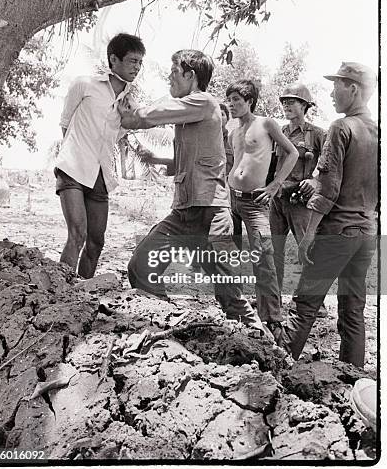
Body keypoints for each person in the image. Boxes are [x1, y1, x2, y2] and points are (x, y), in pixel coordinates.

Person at [119, 50, 266, 333]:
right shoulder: (190, 114)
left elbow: (154, 114)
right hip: (184, 214)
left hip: (211, 217)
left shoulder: (204, 101)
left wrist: (132, 116)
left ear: (190, 75)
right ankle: (165, 327)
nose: (170, 78)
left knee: (230, 297)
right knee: (141, 267)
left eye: (174, 72)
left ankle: (266, 348)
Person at [279, 62, 378, 368]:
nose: (331, 92)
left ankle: (276, 369)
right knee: (352, 309)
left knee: (305, 305)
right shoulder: (377, 131)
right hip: (366, 234)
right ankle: (353, 377)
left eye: (337, 85)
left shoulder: (340, 128)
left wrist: (308, 235)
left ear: (354, 89)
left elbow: (328, 189)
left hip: (336, 232)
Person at [55, 33, 146, 278]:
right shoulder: (84, 84)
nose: (136, 68)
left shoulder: (130, 102)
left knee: (96, 242)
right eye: (132, 61)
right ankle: (61, 294)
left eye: (140, 63)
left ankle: (83, 295)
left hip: (101, 176)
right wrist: (77, 150)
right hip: (73, 167)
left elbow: (115, 136)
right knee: (78, 234)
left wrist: (127, 117)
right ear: (113, 59)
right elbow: (65, 124)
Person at [226, 79, 298, 337]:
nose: (232, 104)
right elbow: (233, 164)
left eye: (237, 100)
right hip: (232, 199)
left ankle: (272, 318)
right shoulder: (233, 131)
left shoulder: (265, 124)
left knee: (264, 256)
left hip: (255, 202)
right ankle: (234, 312)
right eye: (230, 99)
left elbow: (292, 153)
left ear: (249, 101)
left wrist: (275, 185)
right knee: (227, 255)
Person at [268, 83, 328, 316]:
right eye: (284, 102)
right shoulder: (279, 132)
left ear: (304, 105)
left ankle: (312, 303)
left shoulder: (318, 134)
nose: (286, 106)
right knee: (274, 252)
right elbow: (271, 165)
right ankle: (274, 302)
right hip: (278, 200)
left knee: (307, 252)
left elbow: (328, 166)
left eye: (291, 102)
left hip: (301, 203)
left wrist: (314, 182)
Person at [219, 102, 234, 178]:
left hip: (227, 184)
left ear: (227, 119)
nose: (219, 117)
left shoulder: (232, 141)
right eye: (216, 114)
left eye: (222, 114)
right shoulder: (205, 141)